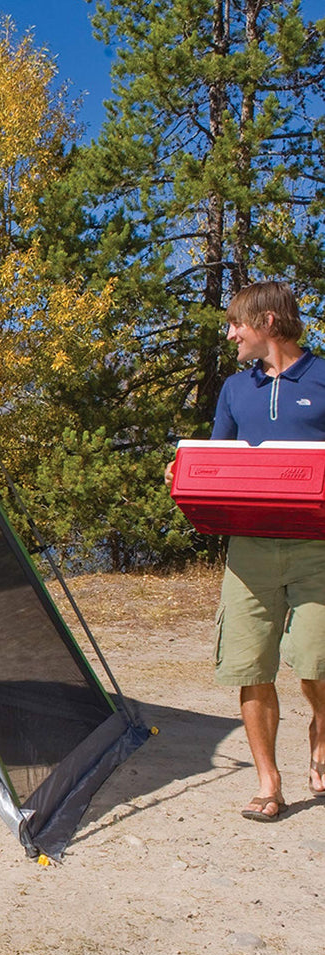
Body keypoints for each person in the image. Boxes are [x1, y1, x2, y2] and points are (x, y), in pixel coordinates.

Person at [175, 282, 325, 821]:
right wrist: (186, 476)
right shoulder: (236, 389)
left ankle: (321, 731)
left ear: (266, 322)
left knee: (317, 661)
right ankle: (269, 782)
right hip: (249, 552)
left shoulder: (324, 377)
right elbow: (219, 460)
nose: (232, 334)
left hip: (319, 550)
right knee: (250, 665)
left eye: (237, 323)